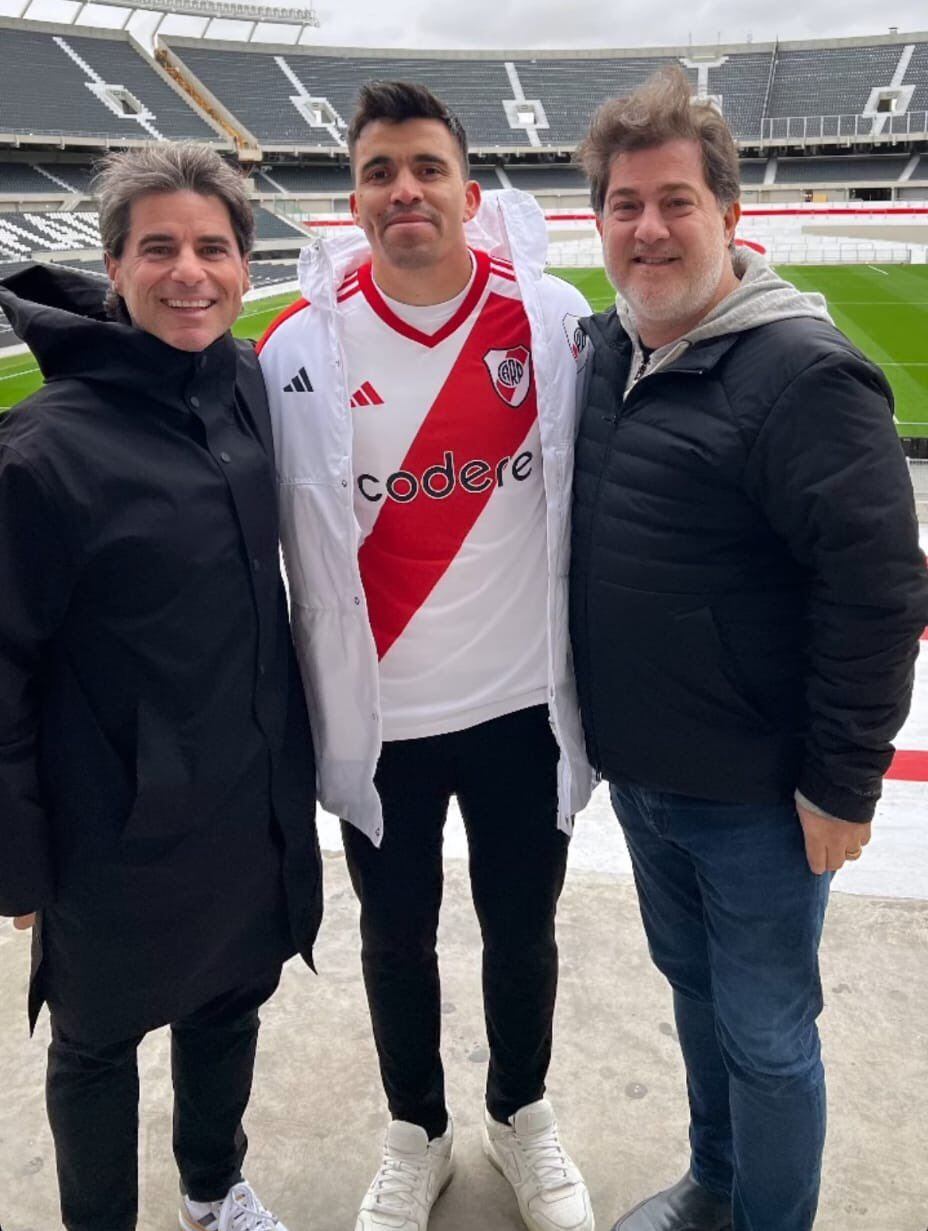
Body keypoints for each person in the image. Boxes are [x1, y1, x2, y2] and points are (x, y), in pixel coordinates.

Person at [569, 67, 928, 1231]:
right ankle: (715, 1184)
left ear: (729, 215)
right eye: (625, 204)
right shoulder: (602, 357)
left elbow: (876, 595)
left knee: (770, 1036)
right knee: (694, 997)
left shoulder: (804, 376)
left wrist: (840, 780)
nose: (649, 227)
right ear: (602, 223)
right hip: (648, 777)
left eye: (675, 200)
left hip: (765, 800)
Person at [258, 81, 595, 1231]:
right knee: (393, 938)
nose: (405, 190)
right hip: (379, 722)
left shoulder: (548, 318)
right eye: (379, 171)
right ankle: (418, 1130)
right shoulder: (296, 345)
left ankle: (520, 1113)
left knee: (523, 929)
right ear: (352, 196)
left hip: (517, 708)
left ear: (468, 187)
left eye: (427, 168)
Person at [0, 143, 322, 1231]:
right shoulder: (41, 454)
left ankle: (210, 1188)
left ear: (244, 263)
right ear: (114, 267)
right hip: (112, 824)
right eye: (160, 248)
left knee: (231, 1003)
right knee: (96, 1045)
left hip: (245, 796)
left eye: (214, 248)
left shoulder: (242, 383)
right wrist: (17, 855)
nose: (191, 272)